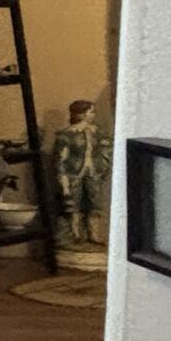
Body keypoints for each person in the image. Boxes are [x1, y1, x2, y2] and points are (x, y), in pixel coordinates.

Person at [50, 99, 113, 247]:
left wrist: (103, 166)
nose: (93, 115)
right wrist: (63, 180)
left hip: (92, 173)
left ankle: (94, 235)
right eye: (90, 112)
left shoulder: (96, 132)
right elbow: (61, 160)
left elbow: (106, 148)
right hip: (74, 174)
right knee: (73, 205)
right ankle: (75, 235)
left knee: (94, 204)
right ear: (82, 114)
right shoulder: (67, 135)